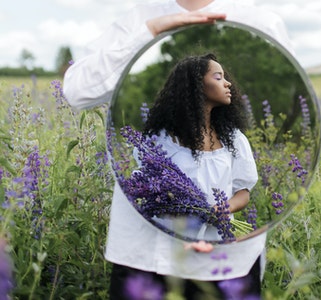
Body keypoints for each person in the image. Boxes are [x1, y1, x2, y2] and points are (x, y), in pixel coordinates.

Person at [63, 0, 295, 298]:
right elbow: (77, 93)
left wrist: (215, 213)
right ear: (196, 87)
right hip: (146, 257)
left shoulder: (260, 22)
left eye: (226, 77)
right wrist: (147, 32)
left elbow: (243, 190)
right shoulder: (137, 21)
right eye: (218, 77)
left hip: (227, 259)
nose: (229, 85)